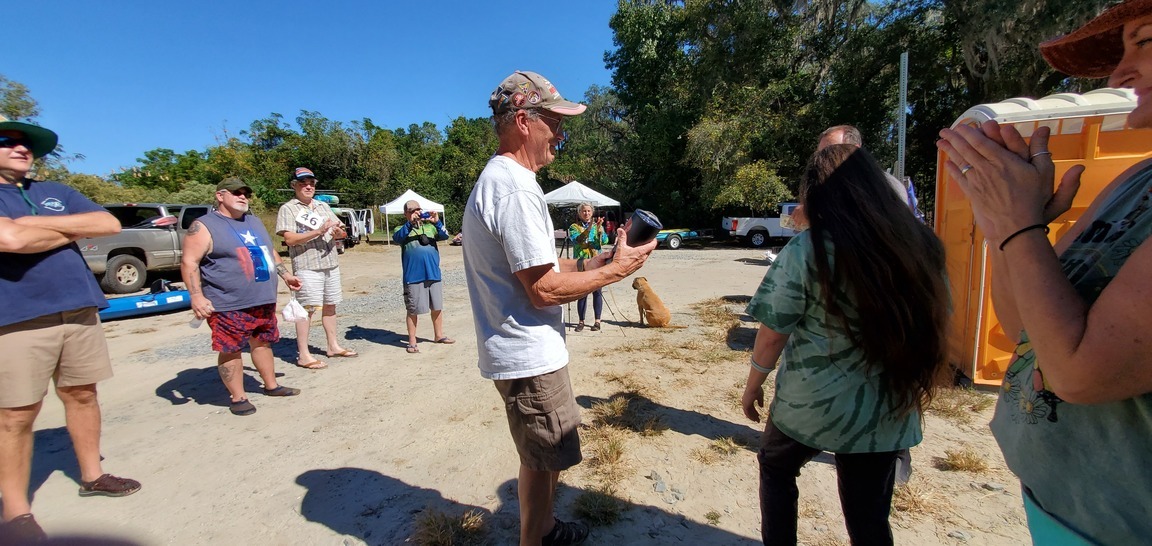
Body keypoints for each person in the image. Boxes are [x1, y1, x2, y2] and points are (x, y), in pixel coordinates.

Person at [937, 2, 1152, 542]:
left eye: (1145, 42)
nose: (1120, 73)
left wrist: (1018, 224)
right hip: (1062, 511)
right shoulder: (1133, 183)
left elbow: (1079, 374)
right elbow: (1029, 336)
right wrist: (1005, 225)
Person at [462, 70, 657, 546]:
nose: (563, 134)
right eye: (557, 122)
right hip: (528, 354)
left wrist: (599, 258)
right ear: (525, 121)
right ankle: (537, 538)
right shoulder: (515, 188)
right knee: (541, 455)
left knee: (546, 454)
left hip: (527, 350)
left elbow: (540, 267)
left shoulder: (505, 180)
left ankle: (544, 528)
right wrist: (617, 272)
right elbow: (544, 290)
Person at [741, 144, 949, 545]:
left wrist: (753, 386)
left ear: (816, 194)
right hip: (887, 408)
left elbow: (772, 335)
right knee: (869, 517)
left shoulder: (808, 249)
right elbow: (940, 321)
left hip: (809, 405)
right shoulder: (922, 246)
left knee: (776, 468)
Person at [0, 116, 140, 544]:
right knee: (16, 414)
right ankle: (16, 512)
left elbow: (109, 225)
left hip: (78, 311)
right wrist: (65, 230)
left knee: (82, 393)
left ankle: (92, 475)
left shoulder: (55, 192)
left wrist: (31, 227)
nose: (21, 149)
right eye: (7, 141)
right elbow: (9, 241)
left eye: (27, 144)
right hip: (16, 319)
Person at [817, 125, 918, 485]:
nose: (821, 160)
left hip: (884, 302)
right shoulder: (839, 186)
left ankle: (893, 457)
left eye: (829, 152)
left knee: (888, 383)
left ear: (855, 150)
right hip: (857, 302)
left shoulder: (882, 186)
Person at [181, 177, 303, 416]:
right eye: (237, 193)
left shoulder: (254, 222)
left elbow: (269, 253)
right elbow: (189, 262)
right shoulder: (204, 225)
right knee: (231, 348)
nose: (243, 197)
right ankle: (238, 397)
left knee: (263, 342)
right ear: (220, 196)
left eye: (246, 193)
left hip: (262, 299)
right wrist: (196, 296)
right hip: (227, 302)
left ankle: (271, 386)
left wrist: (286, 275)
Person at [274, 167, 357, 369]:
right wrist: (317, 231)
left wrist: (338, 232)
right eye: (303, 183)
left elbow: (341, 232)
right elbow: (289, 239)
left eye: (311, 183)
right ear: (294, 185)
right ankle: (303, 354)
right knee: (307, 309)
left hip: (330, 263)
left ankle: (333, 346)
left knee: (330, 304)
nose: (308, 186)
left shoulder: (322, 206)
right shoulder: (288, 209)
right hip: (307, 265)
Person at [392, 199, 453, 353]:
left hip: (433, 273)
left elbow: (446, 236)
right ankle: (412, 342)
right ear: (406, 213)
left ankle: (438, 335)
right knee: (413, 309)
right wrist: (410, 224)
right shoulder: (401, 228)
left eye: (418, 209)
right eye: (412, 210)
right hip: (413, 276)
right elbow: (397, 238)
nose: (416, 212)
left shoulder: (430, 227)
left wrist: (437, 222)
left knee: (437, 306)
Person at [567, 203, 608, 332]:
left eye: (589, 211)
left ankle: (597, 321)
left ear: (592, 212)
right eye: (584, 211)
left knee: (597, 292)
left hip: (596, 262)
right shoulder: (574, 227)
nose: (586, 213)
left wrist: (600, 230)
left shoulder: (598, 226)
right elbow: (578, 240)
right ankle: (581, 321)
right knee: (582, 293)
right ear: (579, 213)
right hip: (581, 263)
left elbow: (605, 241)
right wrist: (590, 227)